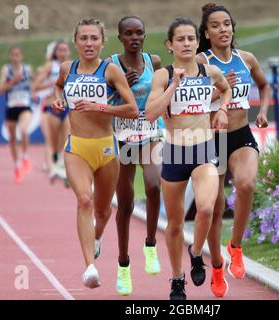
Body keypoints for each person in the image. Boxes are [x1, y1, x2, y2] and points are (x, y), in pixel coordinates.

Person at [146, 16, 231, 300]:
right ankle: (177, 279)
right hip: (174, 152)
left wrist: (222, 109)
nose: (186, 43)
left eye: (191, 38)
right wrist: (173, 85)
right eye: (180, 39)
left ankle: (196, 253)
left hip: (205, 149)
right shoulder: (163, 75)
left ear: (198, 41)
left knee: (206, 210)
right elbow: (150, 114)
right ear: (170, 45)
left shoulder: (210, 71)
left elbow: (225, 89)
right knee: (174, 224)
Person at [52, 18, 138, 289]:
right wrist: (58, 98)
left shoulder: (110, 70)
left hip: (106, 148)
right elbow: (58, 85)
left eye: (94, 38)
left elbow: (132, 109)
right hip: (76, 147)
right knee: (84, 200)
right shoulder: (68, 68)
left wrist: (98, 107)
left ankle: (97, 235)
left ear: (103, 42)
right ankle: (90, 266)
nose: (88, 43)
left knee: (102, 212)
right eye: (83, 38)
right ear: (76, 41)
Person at [196, 3, 270, 297]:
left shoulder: (247, 58)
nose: (222, 29)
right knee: (214, 207)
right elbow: (187, 103)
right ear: (206, 32)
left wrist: (262, 111)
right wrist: (217, 90)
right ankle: (216, 267)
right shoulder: (201, 60)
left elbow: (264, 86)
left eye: (226, 24)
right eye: (215, 25)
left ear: (232, 28)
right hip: (209, 138)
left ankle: (236, 246)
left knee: (247, 183)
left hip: (240, 133)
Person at [107, 16, 163, 296]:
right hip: (122, 136)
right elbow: (101, 104)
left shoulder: (154, 61)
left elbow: (163, 93)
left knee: (154, 183)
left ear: (144, 35)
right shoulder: (111, 66)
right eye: (128, 33)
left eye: (139, 32)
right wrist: (121, 90)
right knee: (126, 205)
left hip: (150, 132)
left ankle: (151, 245)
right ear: (119, 37)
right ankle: (123, 264)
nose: (134, 38)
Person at [33, 39, 71, 182]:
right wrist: (52, 84)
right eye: (59, 50)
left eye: (65, 50)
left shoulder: (72, 66)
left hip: (67, 107)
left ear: (69, 51)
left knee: (66, 139)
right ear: (55, 52)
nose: (62, 53)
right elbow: (35, 87)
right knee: (51, 141)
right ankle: (51, 168)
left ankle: (58, 164)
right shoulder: (51, 66)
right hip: (52, 107)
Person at [0, 45, 34, 183]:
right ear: (10, 56)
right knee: (12, 139)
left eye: (18, 54)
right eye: (13, 55)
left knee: (24, 130)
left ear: (21, 56)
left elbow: (34, 83)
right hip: (11, 107)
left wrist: (34, 91)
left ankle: (25, 156)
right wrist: (13, 81)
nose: (15, 57)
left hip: (25, 106)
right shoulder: (6, 70)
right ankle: (17, 165)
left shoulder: (27, 69)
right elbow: (0, 90)